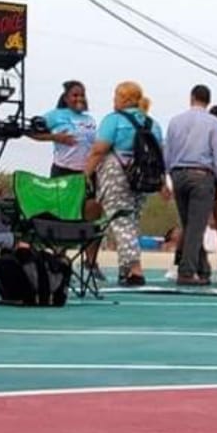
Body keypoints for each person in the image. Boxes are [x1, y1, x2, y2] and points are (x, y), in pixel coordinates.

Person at [83, 80, 166, 287]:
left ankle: (134, 269)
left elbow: (99, 150)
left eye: (116, 96)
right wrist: (163, 182)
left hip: (117, 173)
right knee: (132, 221)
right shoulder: (152, 124)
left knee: (120, 220)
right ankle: (124, 269)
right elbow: (159, 154)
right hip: (143, 176)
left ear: (124, 98)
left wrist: (85, 174)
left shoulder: (114, 120)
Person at [29, 79, 103, 281]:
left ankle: (91, 262)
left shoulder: (89, 119)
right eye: (75, 95)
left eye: (82, 95)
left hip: (86, 174)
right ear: (66, 98)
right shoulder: (55, 115)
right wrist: (55, 138)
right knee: (63, 216)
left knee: (92, 212)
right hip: (63, 171)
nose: (79, 98)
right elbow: (32, 132)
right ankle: (60, 258)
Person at [163, 84, 217, 286]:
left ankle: (203, 267)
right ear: (208, 101)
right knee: (196, 227)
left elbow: (168, 151)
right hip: (202, 175)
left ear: (191, 98)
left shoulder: (175, 121)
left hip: (178, 174)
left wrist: (166, 177)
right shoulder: (213, 122)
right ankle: (187, 271)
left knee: (190, 225)